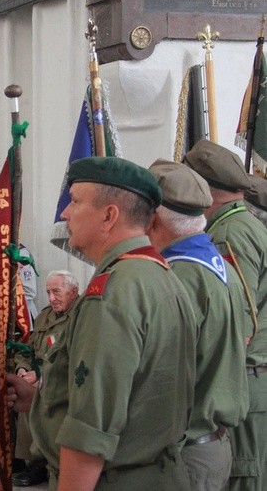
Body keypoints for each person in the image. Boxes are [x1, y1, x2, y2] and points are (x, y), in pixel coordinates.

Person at [7, 156, 196, 490]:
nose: (65, 213)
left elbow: (90, 431)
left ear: (109, 215)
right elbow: (133, 393)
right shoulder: (161, 275)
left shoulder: (110, 293)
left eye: (76, 201)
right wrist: (40, 402)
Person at [147, 159, 249, 491]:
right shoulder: (216, 263)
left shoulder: (180, 276)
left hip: (185, 452)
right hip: (208, 443)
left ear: (153, 218)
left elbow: (159, 374)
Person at [183, 140, 267, 491]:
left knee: (245, 475)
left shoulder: (229, 234)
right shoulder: (244, 224)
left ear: (205, 190)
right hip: (251, 376)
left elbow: (238, 319)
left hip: (245, 378)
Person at [11, 271, 80, 487]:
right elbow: (27, 349)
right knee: (6, 391)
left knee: (30, 402)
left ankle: (38, 463)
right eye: (48, 292)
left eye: (56, 292)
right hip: (34, 374)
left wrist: (39, 375)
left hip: (60, 380)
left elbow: (74, 360)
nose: (51, 298)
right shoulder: (45, 315)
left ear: (73, 292)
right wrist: (22, 369)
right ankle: (13, 458)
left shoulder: (81, 318)